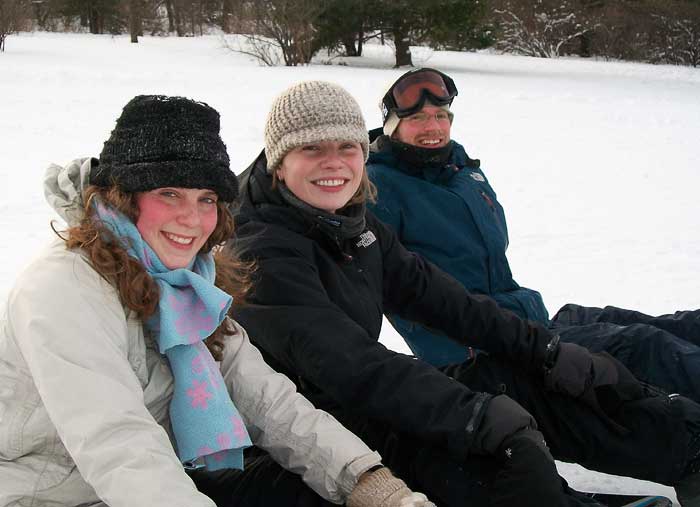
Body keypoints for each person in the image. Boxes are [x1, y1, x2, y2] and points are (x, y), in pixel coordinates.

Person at [227, 80, 700, 507]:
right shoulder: (262, 251)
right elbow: (349, 365)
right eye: (312, 149)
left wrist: (548, 351)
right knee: (474, 437)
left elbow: (447, 302)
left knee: (524, 382)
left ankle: (687, 454)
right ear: (279, 160)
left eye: (347, 147)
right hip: (304, 431)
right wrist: (476, 417)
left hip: (355, 399)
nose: (334, 163)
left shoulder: (353, 223)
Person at [0, 95, 435, 507]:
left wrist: (368, 483)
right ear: (123, 198)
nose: (191, 219)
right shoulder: (63, 289)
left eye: (206, 199)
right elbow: (118, 442)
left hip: (156, 481)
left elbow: (266, 398)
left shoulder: (182, 283)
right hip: (49, 495)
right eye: (169, 194)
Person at [365, 67, 700, 404]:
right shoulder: (378, 189)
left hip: (529, 321)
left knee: (661, 325)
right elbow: (378, 283)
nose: (434, 128)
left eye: (441, 115)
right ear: (394, 125)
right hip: (486, 352)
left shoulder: (462, 172)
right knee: (646, 346)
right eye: (419, 118)